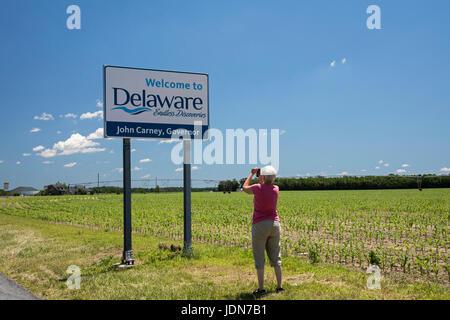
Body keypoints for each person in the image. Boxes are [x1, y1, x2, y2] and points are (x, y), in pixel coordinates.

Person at [243, 165, 283, 296]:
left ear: (263, 177)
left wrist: (251, 174)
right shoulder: (276, 189)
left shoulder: (257, 188)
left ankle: (261, 288)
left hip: (260, 225)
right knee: (276, 257)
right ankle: (279, 287)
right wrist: (262, 176)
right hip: (274, 224)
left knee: (259, 257)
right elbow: (265, 184)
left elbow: (245, 188)